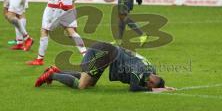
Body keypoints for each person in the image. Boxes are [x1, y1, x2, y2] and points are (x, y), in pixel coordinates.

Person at [35, 42, 175, 92]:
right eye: (149, 86)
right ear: (150, 83)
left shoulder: (152, 71)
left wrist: (162, 87)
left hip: (109, 54)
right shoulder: (138, 70)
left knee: (91, 83)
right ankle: (51, 75)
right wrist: (154, 91)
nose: (147, 86)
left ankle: (57, 70)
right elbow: (133, 88)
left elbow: (153, 82)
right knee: (81, 86)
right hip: (101, 53)